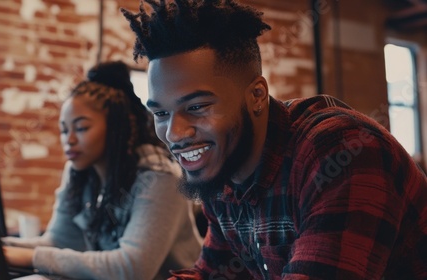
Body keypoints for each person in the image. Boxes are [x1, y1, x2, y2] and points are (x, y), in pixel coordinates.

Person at [121, 1, 427, 279]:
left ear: (257, 95)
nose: (174, 133)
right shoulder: (223, 168)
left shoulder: (340, 153)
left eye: (197, 107)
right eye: (161, 114)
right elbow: (215, 273)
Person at [2, 61, 202, 280]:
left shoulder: (160, 177)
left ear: (116, 128)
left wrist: (31, 258)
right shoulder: (80, 174)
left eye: (81, 128)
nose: (69, 140)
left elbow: (131, 268)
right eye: (63, 130)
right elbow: (60, 242)